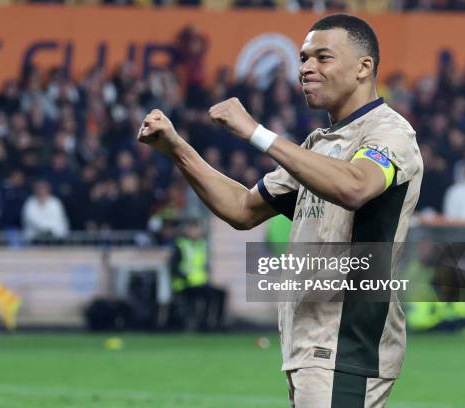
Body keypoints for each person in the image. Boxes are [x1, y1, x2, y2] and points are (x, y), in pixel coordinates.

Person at [137, 14, 423, 407]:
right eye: (303, 58)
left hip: (345, 350)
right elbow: (241, 208)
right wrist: (177, 149)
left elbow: (356, 186)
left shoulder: (389, 133)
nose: (306, 68)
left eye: (322, 57)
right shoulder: (317, 147)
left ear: (363, 67)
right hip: (310, 349)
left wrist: (256, 132)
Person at [170, 219, 226, 331]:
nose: (195, 232)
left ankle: (214, 324)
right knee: (203, 295)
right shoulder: (181, 245)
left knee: (220, 293)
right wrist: (184, 278)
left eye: (196, 229)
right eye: (192, 229)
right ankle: (198, 324)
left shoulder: (202, 244)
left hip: (200, 283)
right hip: (184, 285)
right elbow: (174, 268)